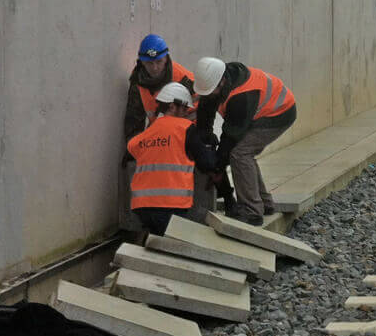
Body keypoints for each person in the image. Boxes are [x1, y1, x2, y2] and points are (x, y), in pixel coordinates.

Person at [194, 57, 296, 226]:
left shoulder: (242, 96)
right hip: (262, 112)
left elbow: (231, 138)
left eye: (212, 91)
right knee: (243, 153)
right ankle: (263, 203)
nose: (209, 95)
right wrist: (205, 141)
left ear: (222, 82)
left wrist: (218, 165)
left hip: (279, 113)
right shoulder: (213, 81)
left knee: (240, 153)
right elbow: (205, 111)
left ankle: (252, 212)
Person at [126, 83, 218, 236]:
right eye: (184, 109)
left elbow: (131, 147)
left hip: (142, 206)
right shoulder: (185, 128)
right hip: (172, 205)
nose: (186, 113)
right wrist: (211, 151)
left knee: (155, 238)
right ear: (172, 107)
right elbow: (207, 162)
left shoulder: (148, 132)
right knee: (169, 246)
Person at [124, 34, 195, 141]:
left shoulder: (183, 79)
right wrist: (135, 149)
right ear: (142, 62)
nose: (155, 68)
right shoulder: (138, 78)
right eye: (149, 63)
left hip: (185, 133)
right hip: (158, 132)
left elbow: (204, 110)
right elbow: (133, 119)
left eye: (159, 62)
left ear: (166, 58)